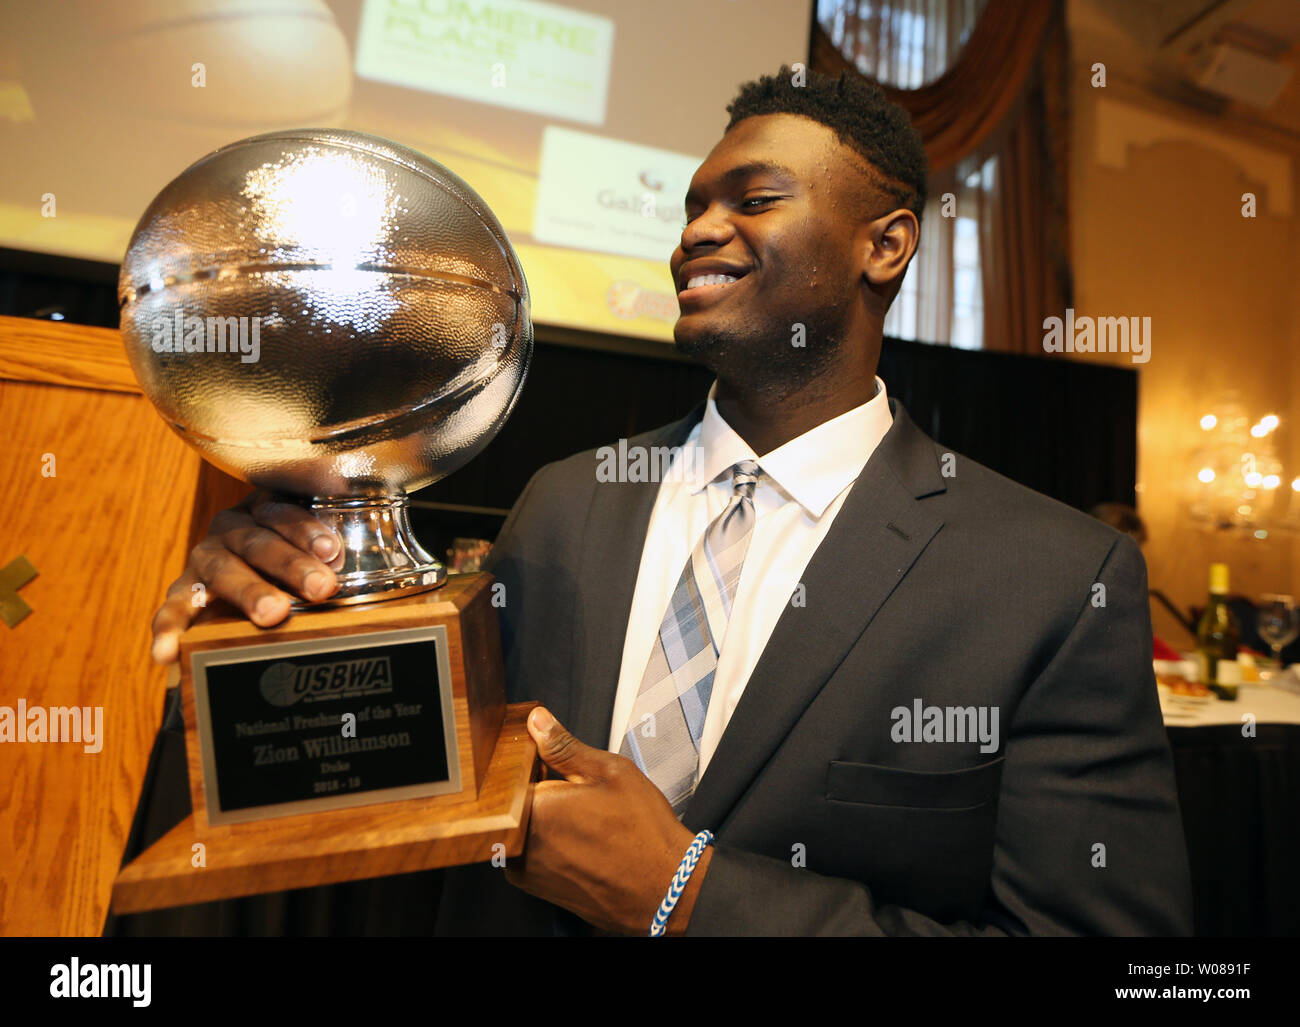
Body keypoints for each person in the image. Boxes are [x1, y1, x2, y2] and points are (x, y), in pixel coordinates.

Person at [151, 66, 1193, 936]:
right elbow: (400, 792)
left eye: (752, 198)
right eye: (692, 204)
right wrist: (274, 636)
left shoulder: (1050, 578)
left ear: (885, 244)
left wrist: (693, 897)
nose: (698, 229)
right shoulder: (565, 505)